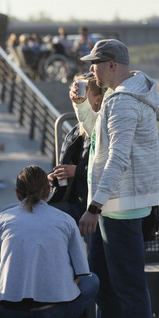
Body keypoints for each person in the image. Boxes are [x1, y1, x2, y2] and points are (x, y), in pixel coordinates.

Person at [73, 39, 159, 318]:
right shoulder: (118, 97)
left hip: (118, 206)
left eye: (95, 63)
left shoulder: (124, 101)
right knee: (105, 287)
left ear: (112, 65)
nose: (91, 70)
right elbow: (99, 137)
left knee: (128, 289)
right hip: (115, 204)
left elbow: (118, 158)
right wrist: (83, 105)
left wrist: (94, 206)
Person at [0, 165, 99, 318]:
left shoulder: (1, 219)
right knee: (93, 280)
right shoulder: (66, 220)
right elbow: (82, 273)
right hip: (55, 313)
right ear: (48, 192)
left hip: (7, 312)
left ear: (17, 193)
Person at [48, 72, 103, 223]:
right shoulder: (74, 132)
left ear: (98, 100)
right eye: (75, 90)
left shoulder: (102, 129)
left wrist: (76, 171)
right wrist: (53, 177)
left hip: (93, 207)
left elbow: (109, 172)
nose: (77, 97)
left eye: (82, 91)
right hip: (75, 203)